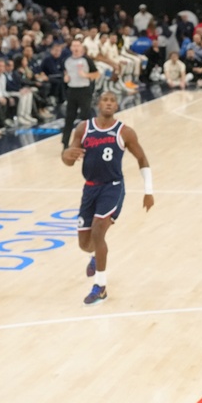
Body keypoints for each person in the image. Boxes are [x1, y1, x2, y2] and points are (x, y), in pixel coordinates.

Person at [60, 90, 154, 305]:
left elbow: (142, 159)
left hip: (113, 188)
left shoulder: (125, 132)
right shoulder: (84, 128)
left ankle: (100, 287)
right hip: (90, 188)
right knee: (85, 244)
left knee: (98, 231)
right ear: (98, 104)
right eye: (105, 100)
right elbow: (70, 159)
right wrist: (65, 155)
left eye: (113, 100)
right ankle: (95, 256)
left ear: (117, 106)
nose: (109, 103)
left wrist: (148, 191)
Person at [61, 39, 100, 149]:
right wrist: (66, 78)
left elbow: (97, 74)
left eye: (78, 46)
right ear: (71, 48)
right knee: (69, 117)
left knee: (85, 117)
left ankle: (88, 141)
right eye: (74, 46)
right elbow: (65, 73)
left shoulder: (86, 60)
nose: (76, 48)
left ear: (81, 48)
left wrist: (86, 75)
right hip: (72, 90)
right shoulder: (67, 61)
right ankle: (65, 143)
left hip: (84, 90)